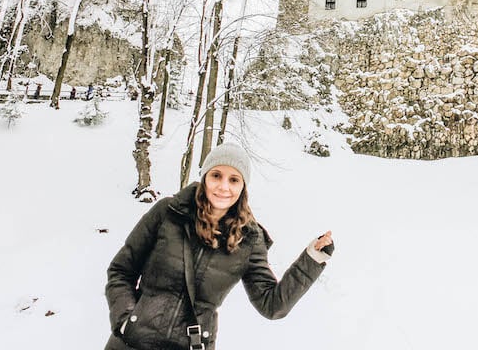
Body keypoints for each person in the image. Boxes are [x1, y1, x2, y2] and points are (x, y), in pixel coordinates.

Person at [104, 142, 333, 350]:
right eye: (216, 175)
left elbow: (272, 305)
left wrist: (311, 260)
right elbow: (121, 271)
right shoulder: (168, 212)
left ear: (243, 186)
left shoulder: (250, 240)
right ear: (205, 177)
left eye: (234, 179)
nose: (224, 186)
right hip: (130, 343)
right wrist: (125, 319)